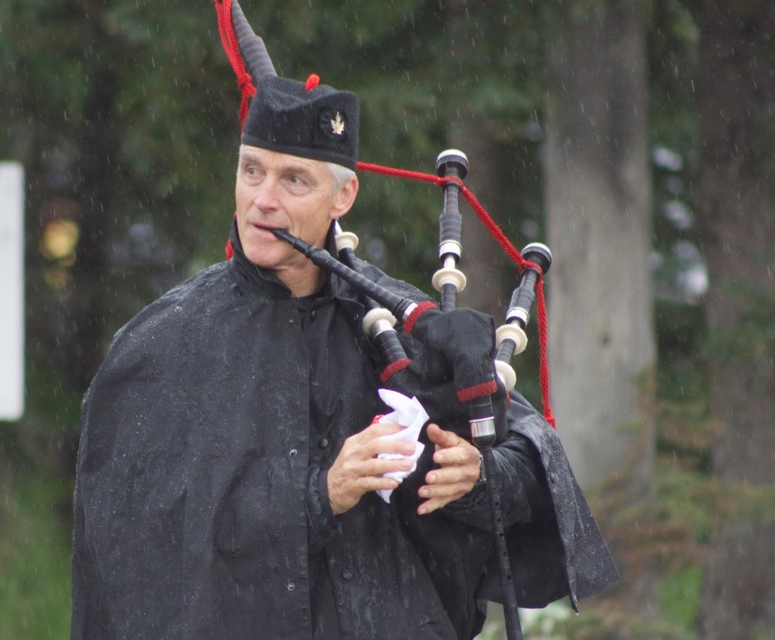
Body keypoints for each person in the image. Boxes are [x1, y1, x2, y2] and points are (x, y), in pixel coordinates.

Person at [70, 74, 618, 639]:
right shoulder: (163, 344)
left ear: (343, 197)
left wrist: (478, 477)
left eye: (293, 179)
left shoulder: (402, 320)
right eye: (251, 170)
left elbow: (532, 462)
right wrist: (317, 492)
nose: (263, 199)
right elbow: (139, 540)